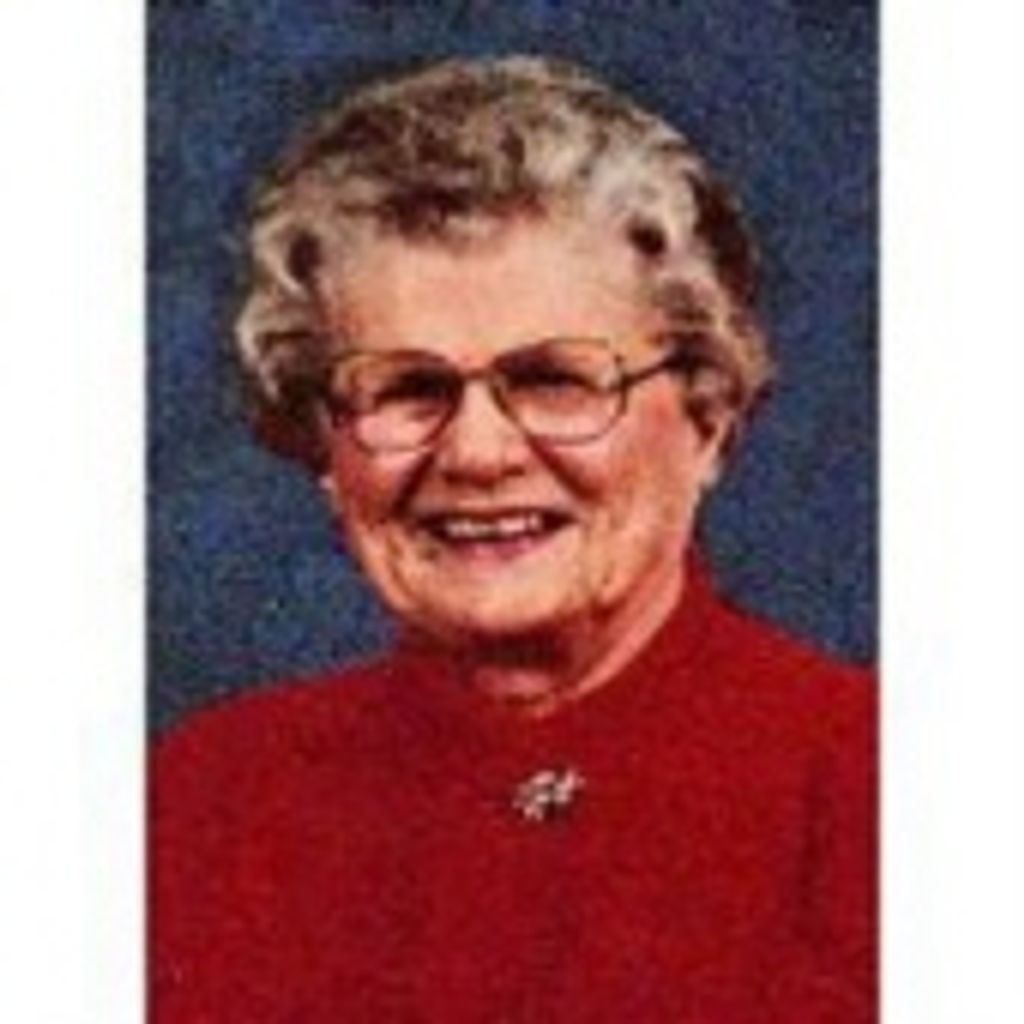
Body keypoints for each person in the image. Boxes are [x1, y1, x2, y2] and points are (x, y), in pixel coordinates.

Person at [152, 55, 876, 1022]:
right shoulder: (199, 803)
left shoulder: (883, 788)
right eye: (408, 389)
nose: (478, 454)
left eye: (555, 381)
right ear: (325, 447)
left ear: (709, 418)